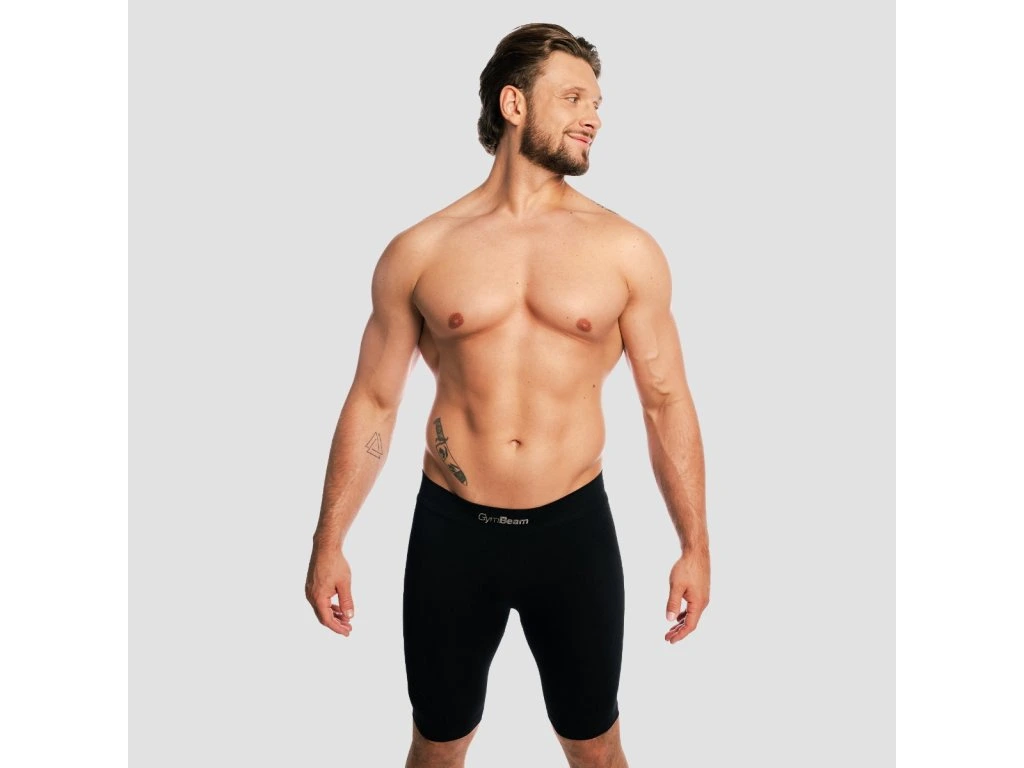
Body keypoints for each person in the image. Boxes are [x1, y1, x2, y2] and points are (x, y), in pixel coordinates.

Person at [305, 22, 709, 768]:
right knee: (437, 747)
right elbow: (374, 402)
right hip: (453, 534)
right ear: (514, 104)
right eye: (574, 97)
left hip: (573, 533)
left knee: (596, 749)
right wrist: (329, 540)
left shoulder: (625, 251)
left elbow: (666, 403)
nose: (594, 116)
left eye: (598, 102)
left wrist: (694, 545)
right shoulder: (422, 250)